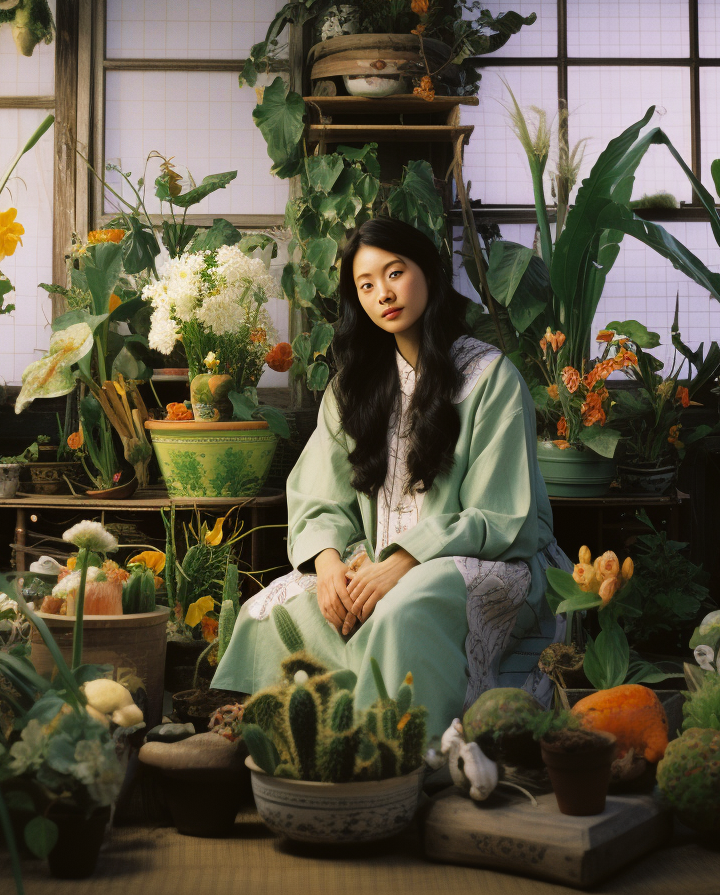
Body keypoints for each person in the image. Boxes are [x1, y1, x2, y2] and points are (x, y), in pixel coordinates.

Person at [212, 218, 571, 738]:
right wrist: (331, 564)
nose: (383, 294)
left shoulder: (492, 379)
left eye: (395, 272)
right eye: (366, 285)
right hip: (372, 560)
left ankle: (389, 752)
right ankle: (304, 740)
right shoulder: (352, 388)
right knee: (277, 610)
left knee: (403, 611)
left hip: (475, 561)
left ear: (427, 271)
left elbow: (501, 516)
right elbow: (318, 495)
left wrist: (402, 562)